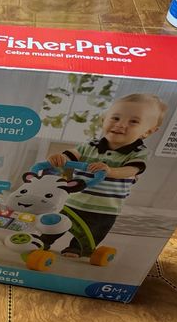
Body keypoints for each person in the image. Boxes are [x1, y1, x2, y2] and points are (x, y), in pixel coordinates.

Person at [46, 93, 168, 257]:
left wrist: (111, 171)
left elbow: (132, 170)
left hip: (105, 207)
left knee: (93, 231)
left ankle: (77, 248)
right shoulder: (90, 145)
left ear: (148, 131)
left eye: (133, 121)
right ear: (104, 120)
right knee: (57, 223)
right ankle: (44, 240)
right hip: (74, 200)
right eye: (115, 118)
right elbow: (72, 154)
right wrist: (61, 158)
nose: (120, 124)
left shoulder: (139, 153)